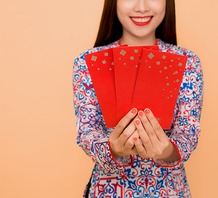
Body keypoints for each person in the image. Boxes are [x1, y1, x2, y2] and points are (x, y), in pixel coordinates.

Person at [72, 0, 204, 197]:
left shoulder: (188, 62)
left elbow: (188, 132)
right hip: (110, 191)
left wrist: (166, 150)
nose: (141, 7)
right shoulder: (87, 63)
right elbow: (87, 133)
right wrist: (113, 149)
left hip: (168, 191)